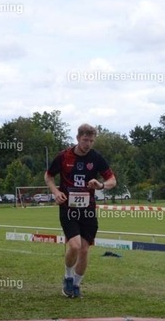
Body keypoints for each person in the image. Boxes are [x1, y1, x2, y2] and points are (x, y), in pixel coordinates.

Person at [44, 123, 116, 298]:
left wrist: (100, 185)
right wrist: (56, 192)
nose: (88, 144)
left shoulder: (96, 158)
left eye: (91, 141)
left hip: (88, 210)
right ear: (77, 138)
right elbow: (48, 175)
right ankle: (68, 277)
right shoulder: (64, 156)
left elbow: (112, 180)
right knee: (75, 246)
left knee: (84, 249)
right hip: (68, 209)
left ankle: (76, 285)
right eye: (85, 140)